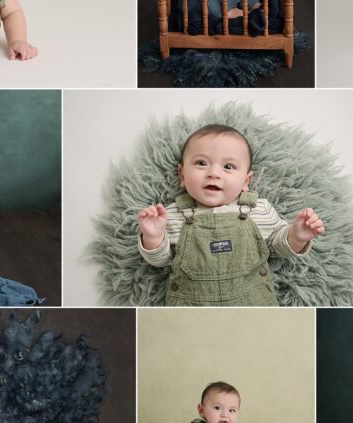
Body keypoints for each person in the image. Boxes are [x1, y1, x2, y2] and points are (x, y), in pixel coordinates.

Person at [137, 124, 323, 306]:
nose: (213, 173)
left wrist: (297, 236)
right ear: (182, 175)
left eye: (228, 166)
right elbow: (161, 260)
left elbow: (278, 249)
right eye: (201, 163)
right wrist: (153, 236)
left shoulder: (259, 210)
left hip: (252, 304)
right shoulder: (171, 215)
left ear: (246, 180)